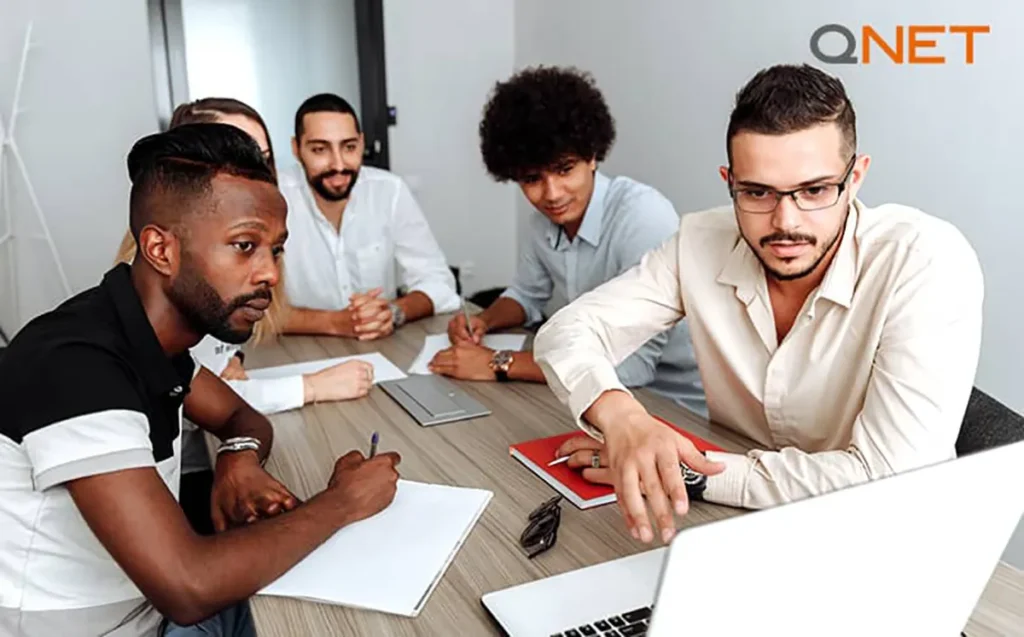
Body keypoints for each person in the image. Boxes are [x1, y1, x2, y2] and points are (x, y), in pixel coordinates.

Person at [533, 63, 983, 546]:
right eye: (757, 192)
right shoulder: (699, 241)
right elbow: (567, 331)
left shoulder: (924, 260)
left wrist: (691, 472)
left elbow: (889, 480)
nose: (785, 221)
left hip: (882, 541)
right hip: (736, 533)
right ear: (729, 182)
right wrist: (622, 417)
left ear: (856, 179)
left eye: (814, 190)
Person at [0, 123, 401, 637]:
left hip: (150, 613)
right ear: (161, 250)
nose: (270, 274)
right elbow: (187, 587)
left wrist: (236, 458)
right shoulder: (75, 362)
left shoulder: (154, 341)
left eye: (275, 249)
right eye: (243, 245)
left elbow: (240, 414)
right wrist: (343, 502)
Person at [112, 97, 375, 536]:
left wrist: (238, 448)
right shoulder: (106, 352)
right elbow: (185, 582)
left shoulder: (184, 321)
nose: (254, 175)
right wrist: (312, 389)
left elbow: (230, 404)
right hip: (181, 493)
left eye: (260, 159)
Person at [431, 66, 705, 417]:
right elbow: (526, 296)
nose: (552, 194)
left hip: (672, 404)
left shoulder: (643, 216)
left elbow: (633, 368)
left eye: (564, 169)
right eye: (532, 178)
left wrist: (498, 363)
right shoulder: (542, 223)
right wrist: (485, 320)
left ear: (592, 156)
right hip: (590, 391)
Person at [278, 93, 460, 340]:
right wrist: (334, 322)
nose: (339, 164)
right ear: (296, 149)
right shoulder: (273, 197)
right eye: (320, 149)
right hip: (292, 351)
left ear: (362, 143)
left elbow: (440, 284)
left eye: (349, 147)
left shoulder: (389, 190)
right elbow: (249, 310)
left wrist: (393, 312)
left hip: (378, 346)